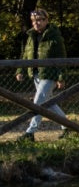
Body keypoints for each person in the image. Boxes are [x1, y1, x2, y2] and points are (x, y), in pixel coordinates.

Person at [18, 8, 68, 137]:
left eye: (40, 20)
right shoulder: (31, 36)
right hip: (36, 74)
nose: (37, 23)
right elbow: (26, 55)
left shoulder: (55, 37)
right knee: (48, 103)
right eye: (34, 20)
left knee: (38, 102)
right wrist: (20, 70)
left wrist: (61, 77)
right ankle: (67, 127)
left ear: (47, 20)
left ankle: (30, 132)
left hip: (49, 75)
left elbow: (61, 58)